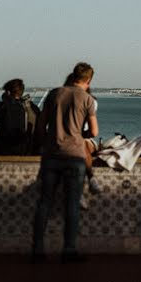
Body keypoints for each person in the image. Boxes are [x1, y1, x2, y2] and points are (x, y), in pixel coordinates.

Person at [32, 62, 99, 263]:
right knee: (72, 205)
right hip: (76, 157)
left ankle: (37, 249)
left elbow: (40, 126)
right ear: (88, 80)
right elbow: (94, 132)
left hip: (52, 155)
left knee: (44, 203)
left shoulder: (54, 94)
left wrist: (50, 141)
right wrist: (79, 135)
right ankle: (69, 250)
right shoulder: (87, 99)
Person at [0, 78, 40, 155]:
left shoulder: (1, 107)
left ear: (8, 92)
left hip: (4, 148)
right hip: (26, 148)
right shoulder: (31, 107)